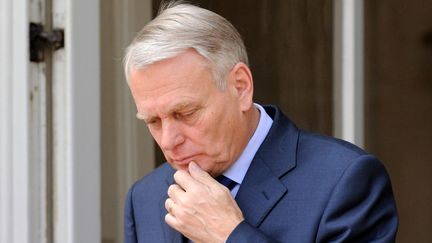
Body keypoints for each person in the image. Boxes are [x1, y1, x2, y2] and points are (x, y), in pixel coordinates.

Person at [123, 2, 398, 243]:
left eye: (186, 113)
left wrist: (230, 235)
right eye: (153, 121)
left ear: (240, 87)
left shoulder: (344, 180)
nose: (169, 140)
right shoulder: (144, 198)